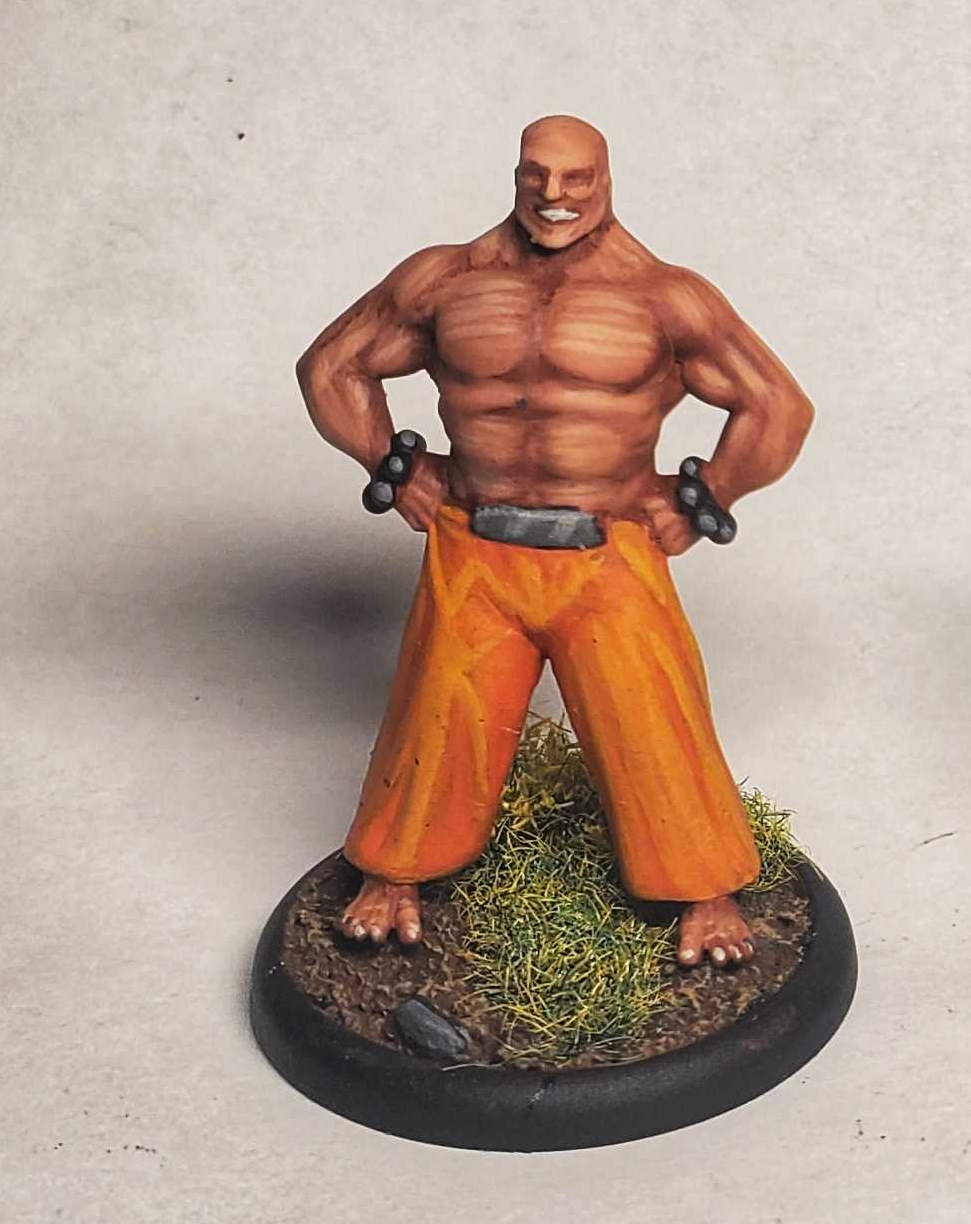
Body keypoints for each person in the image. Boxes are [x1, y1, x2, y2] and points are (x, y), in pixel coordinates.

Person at [295, 115, 813, 965]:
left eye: (576, 177)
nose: (554, 194)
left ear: (605, 179)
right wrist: (393, 464)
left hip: (607, 547)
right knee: (436, 714)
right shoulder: (446, 278)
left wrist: (707, 498)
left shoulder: (663, 295)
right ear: (515, 175)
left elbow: (776, 405)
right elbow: (331, 366)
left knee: (651, 720)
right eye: (537, 173)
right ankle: (393, 875)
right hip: (475, 540)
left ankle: (706, 892)